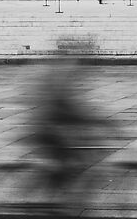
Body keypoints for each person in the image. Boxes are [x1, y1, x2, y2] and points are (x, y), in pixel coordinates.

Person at [23, 37, 113, 210]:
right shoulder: (64, 72)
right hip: (46, 127)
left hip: (50, 124)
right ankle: (49, 198)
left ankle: (54, 195)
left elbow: (73, 104)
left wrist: (93, 120)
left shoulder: (62, 70)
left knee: (77, 156)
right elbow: (65, 104)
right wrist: (101, 122)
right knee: (74, 160)